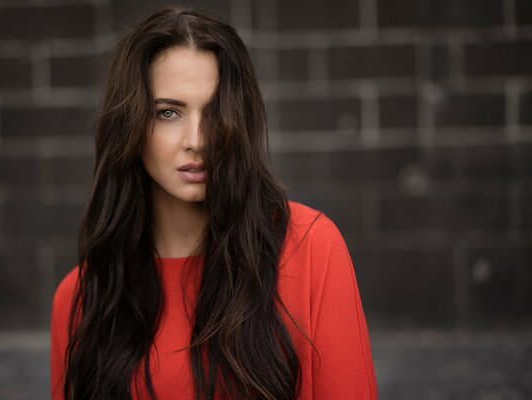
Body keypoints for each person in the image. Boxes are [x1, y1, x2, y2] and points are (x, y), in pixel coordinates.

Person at [50, 6, 378, 400]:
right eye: (168, 112)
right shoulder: (83, 296)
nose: (198, 139)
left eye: (215, 113)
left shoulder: (309, 248)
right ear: (132, 126)